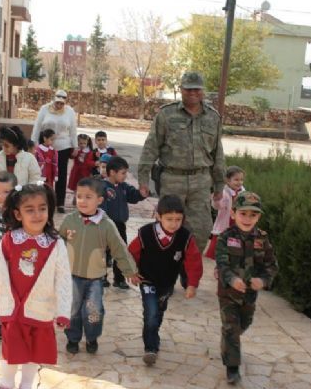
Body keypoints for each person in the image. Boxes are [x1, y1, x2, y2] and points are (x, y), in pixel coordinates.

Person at [0, 184, 72, 389]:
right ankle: (5, 386)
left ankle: (25, 388)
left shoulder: (56, 244)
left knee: (33, 353)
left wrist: (63, 311)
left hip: (40, 311)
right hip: (13, 309)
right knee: (11, 352)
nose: (37, 214)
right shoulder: (9, 240)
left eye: (42, 208)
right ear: (17, 214)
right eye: (29, 209)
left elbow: (63, 280)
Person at [137, 71, 226, 251]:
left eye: (197, 89)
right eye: (188, 89)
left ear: (203, 91)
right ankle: (167, 264)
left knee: (201, 228)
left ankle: (189, 266)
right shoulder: (166, 114)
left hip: (201, 181)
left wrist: (219, 184)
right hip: (172, 179)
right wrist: (143, 179)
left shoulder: (213, 117)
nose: (193, 93)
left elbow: (218, 153)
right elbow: (151, 147)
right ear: (181, 90)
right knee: (167, 225)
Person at [59, 177, 140, 355]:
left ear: (100, 200)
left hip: (95, 279)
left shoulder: (106, 225)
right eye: (79, 196)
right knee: (72, 310)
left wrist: (130, 271)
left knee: (93, 311)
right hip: (71, 276)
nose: (82, 201)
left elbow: (119, 248)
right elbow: (57, 244)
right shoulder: (69, 221)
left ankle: (92, 337)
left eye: (88, 197)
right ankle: (72, 338)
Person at [128, 195, 203, 366]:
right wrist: (131, 272)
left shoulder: (185, 237)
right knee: (151, 312)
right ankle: (150, 348)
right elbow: (131, 253)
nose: (174, 223)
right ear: (158, 216)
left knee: (159, 311)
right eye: (169, 219)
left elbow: (193, 261)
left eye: (178, 219)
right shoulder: (146, 233)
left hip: (167, 282)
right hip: (147, 280)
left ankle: (154, 333)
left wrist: (192, 283)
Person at [216, 191, 278, 384]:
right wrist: (232, 279)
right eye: (243, 213)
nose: (248, 219)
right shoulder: (225, 237)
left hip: (249, 295)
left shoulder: (262, 239)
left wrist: (264, 280)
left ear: (259, 217)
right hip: (228, 293)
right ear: (233, 214)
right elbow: (222, 264)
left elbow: (272, 265)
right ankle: (232, 368)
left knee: (244, 323)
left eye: (253, 215)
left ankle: (229, 339)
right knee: (231, 328)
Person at [99, 156, 146, 289]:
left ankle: (119, 279)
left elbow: (132, 195)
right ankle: (101, 277)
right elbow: (101, 208)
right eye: (123, 173)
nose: (125, 176)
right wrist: (104, 222)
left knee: (121, 252)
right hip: (106, 226)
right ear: (112, 172)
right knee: (104, 252)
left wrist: (141, 194)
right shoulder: (102, 187)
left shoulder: (123, 187)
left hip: (120, 225)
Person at [31, 89, 77, 213]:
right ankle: (44, 200)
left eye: (62, 103)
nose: (59, 105)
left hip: (63, 146)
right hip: (45, 148)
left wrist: (75, 146)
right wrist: (33, 144)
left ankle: (60, 203)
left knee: (61, 175)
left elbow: (73, 130)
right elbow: (37, 126)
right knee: (43, 174)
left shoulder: (70, 112)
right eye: (57, 102)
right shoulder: (44, 109)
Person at [0, 171, 18, 341]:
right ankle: (1, 320)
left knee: (14, 289)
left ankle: (15, 319)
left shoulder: (17, 211)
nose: (1, 196)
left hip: (14, 257)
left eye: (6, 192)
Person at [204, 166, 246, 260]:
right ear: (227, 180)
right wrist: (216, 200)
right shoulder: (224, 192)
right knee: (217, 248)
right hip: (224, 224)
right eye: (236, 180)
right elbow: (217, 206)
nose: (239, 182)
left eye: (241, 180)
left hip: (237, 224)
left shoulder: (243, 193)